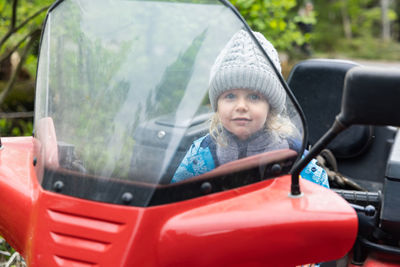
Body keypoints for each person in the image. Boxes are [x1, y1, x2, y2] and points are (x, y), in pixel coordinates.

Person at [171, 30, 328, 189]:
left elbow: (322, 200)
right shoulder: (201, 154)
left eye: (254, 97)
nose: (241, 106)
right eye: (230, 96)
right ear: (217, 104)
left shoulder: (293, 155)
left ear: (271, 106)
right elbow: (174, 199)